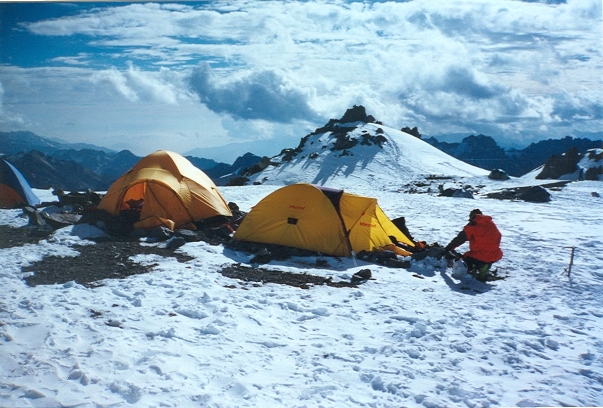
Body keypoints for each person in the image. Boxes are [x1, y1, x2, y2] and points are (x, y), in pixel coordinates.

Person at [444, 209, 503, 281]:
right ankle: (484, 267)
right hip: (495, 255)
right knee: (485, 254)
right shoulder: (490, 223)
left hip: (480, 255)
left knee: (463, 261)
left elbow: (459, 239)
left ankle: (477, 268)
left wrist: (447, 249)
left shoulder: (473, 225)